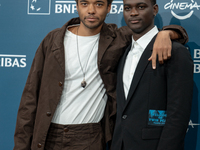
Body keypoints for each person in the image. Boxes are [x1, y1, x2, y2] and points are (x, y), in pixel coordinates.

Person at [13, 0, 188, 149]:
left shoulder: (118, 38)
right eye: (84, 3)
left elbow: (148, 32)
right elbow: (30, 98)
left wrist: (168, 33)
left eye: (98, 3)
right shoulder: (53, 40)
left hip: (90, 137)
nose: (91, 10)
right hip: (47, 134)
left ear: (109, 7)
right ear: (76, 6)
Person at [111, 0, 193, 150]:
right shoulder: (122, 52)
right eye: (127, 8)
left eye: (141, 7)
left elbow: (178, 115)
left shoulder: (175, 52)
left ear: (154, 9)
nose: (133, 13)